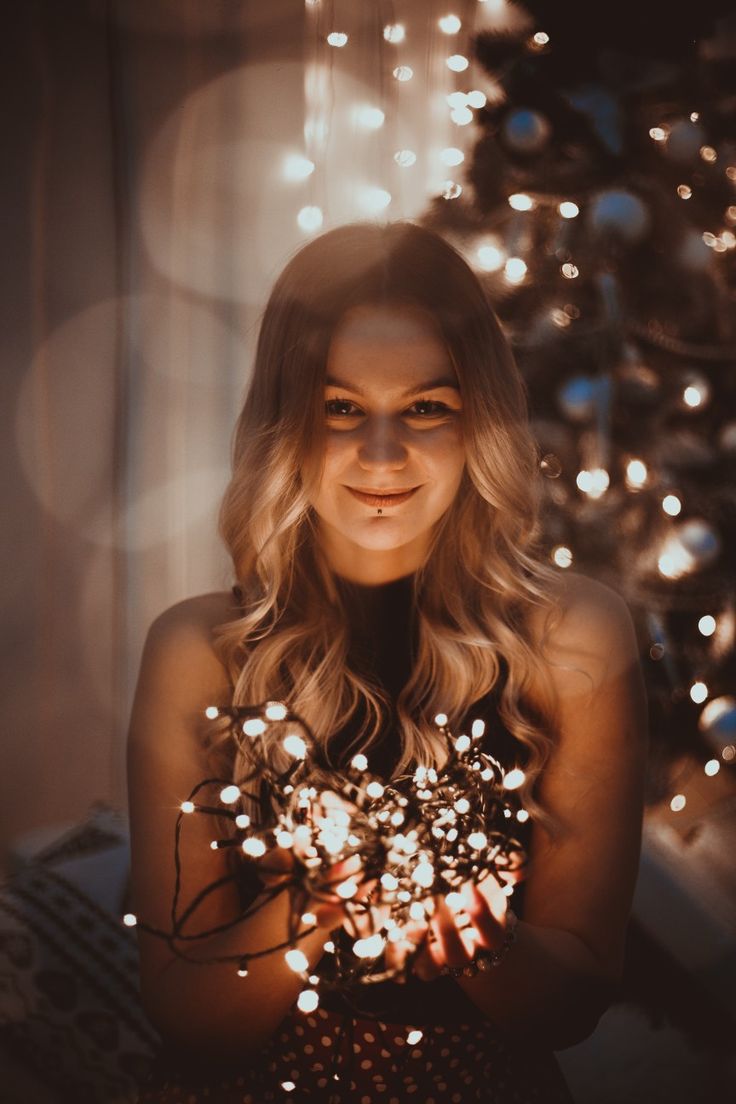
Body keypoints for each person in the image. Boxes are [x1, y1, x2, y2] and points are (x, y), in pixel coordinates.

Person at [128, 221, 648, 1103]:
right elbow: (187, 1015)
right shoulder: (199, 654)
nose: (381, 454)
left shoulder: (576, 639)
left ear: (475, 418)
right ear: (287, 421)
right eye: (339, 408)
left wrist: (476, 941)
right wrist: (319, 902)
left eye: (425, 407)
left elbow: (574, 1002)